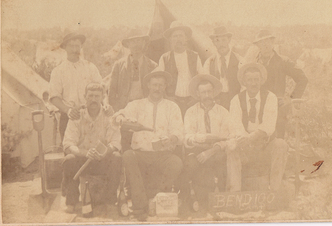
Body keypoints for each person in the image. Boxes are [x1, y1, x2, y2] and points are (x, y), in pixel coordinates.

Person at [112, 71, 183, 219]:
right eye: (154, 85)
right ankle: (140, 205)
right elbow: (118, 117)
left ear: (165, 87)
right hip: (141, 154)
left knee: (176, 162)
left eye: (161, 85)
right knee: (127, 155)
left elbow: (179, 132)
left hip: (163, 154)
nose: (157, 88)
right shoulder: (136, 105)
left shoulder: (172, 107)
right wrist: (121, 120)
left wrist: (171, 138)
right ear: (148, 85)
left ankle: (157, 199)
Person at [182, 74, 245, 209]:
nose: (207, 95)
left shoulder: (223, 112)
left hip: (217, 151)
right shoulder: (190, 112)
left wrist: (211, 150)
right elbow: (187, 136)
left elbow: (228, 137)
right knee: (191, 163)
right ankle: (193, 199)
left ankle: (220, 198)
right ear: (198, 94)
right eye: (203, 92)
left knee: (221, 159)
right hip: (197, 149)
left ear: (214, 92)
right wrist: (198, 139)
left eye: (209, 91)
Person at [227, 63, 288, 193]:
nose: (253, 83)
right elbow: (235, 125)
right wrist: (246, 140)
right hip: (245, 148)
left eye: (256, 80)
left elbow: (269, 125)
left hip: (265, 146)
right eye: (250, 80)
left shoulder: (270, 97)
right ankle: (235, 192)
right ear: (244, 82)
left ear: (261, 81)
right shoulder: (236, 100)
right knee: (231, 147)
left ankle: (275, 191)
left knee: (280, 144)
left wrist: (252, 138)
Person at [62, 82, 122, 214]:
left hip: (103, 159)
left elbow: (116, 142)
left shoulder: (109, 116)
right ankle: (71, 201)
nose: (94, 99)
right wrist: (84, 153)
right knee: (69, 159)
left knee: (116, 157)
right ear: (85, 97)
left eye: (97, 96)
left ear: (102, 97)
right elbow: (68, 144)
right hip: (83, 160)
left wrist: (105, 152)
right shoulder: (77, 116)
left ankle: (110, 200)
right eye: (90, 96)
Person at [49, 32, 112, 140]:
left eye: (77, 46)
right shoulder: (58, 71)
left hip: (92, 115)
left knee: (93, 150)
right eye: (71, 46)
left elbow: (102, 90)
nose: (74, 50)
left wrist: (106, 104)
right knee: (71, 153)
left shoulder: (90, 67)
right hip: (69, 116)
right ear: (65, 48)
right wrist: (68, 110)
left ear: (81, 47)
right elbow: (54, 97)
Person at [252, 30, 308, 139]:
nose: (265, 44)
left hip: (277, 109)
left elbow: (302, 79)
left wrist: (290, 99)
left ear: (273, 42)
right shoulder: (254, 63)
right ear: (257, 45)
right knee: (259, 142)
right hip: (258, 108)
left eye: (268, 41)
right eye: (261, 42)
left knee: (278, 142)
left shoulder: (283, 61)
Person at [108, 29, 158, 151]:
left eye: (139, 41)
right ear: (128, 45)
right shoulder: (119, 65)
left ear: (144, 44)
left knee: (143, 141)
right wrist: (117, 111)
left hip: (144, 108)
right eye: (133, 42)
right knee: (125, 142)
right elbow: (111, 91)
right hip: (125, 107)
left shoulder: (153, 66)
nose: (136, 45)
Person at [156, 21, 203, 116]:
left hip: (192, 100)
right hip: (172, 100)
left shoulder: (195, 56)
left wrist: (196, 97)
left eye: (181, 36)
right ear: (170, 40)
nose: (178, 39)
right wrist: (167, 97)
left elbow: (201, 78)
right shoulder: (165, 58)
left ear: (186, 39)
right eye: (175, 36)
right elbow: (160, 81)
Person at [203, 26, 244, 110]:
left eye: (224, 40)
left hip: (235, 101)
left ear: (229, 40)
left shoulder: (239, 60)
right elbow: (206, 85)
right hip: (216, 102)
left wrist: (239, 101)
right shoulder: (209, 62)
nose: (221, 44)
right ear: (214, 43)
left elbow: (244, 85)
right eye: (217, 40)